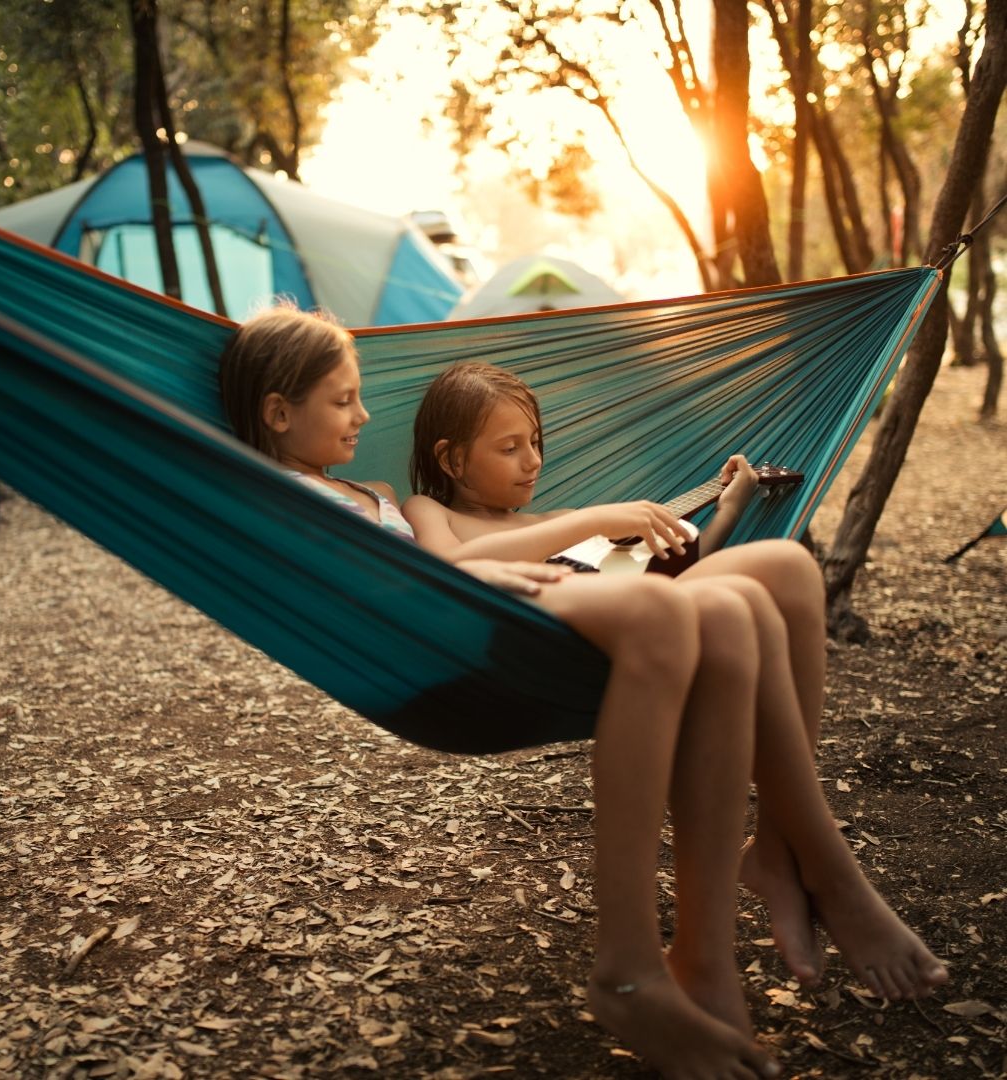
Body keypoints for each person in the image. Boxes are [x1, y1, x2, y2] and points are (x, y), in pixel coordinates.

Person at [403, 360, 950, 1000]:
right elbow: (450, 567)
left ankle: (776, 844)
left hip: (643, 624)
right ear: (450, 459)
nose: (532, 461)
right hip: (547, 657)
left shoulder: (546, 521)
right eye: (509, 447)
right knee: (724, 602)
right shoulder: (433, 511)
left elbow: (674, 578)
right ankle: (824, 870)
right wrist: (590, 521)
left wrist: (727, 507)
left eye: (535, 443)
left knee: (790, 566)